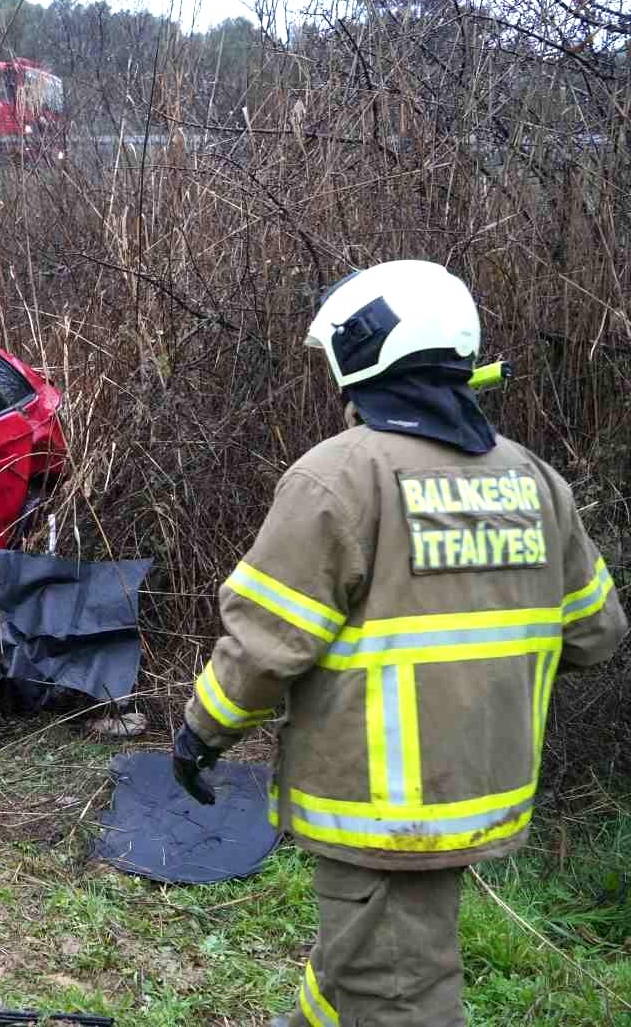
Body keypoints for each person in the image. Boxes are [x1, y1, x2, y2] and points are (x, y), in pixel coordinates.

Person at [170, 260, 626, 1027]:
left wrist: (201, 731)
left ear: (365, 354)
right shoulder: (533, 480)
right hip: (483, 787)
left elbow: (265, 646)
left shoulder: (340, 478)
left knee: (397, 995)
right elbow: (597, 632)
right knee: (363, 956)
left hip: (378, 803)